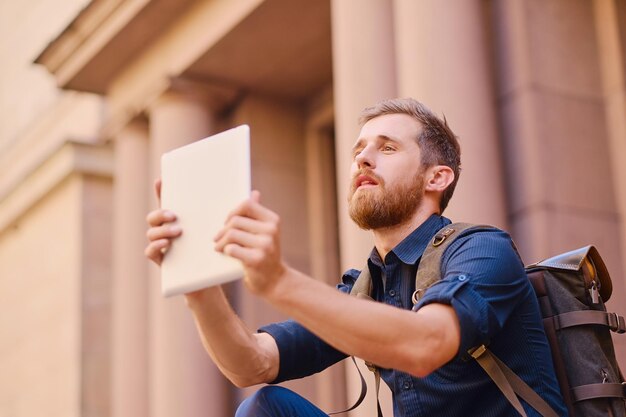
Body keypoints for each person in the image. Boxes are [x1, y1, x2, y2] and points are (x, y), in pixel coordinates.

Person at [145, 98, 568, 417]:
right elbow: (252, 364)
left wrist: (278, 281)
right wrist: (197, 285)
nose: (362, 158)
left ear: (437, 177)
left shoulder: (481, 249)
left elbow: (427, 343)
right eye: (358, 151)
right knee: (265, 407)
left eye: (386, 148)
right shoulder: (364, 288)